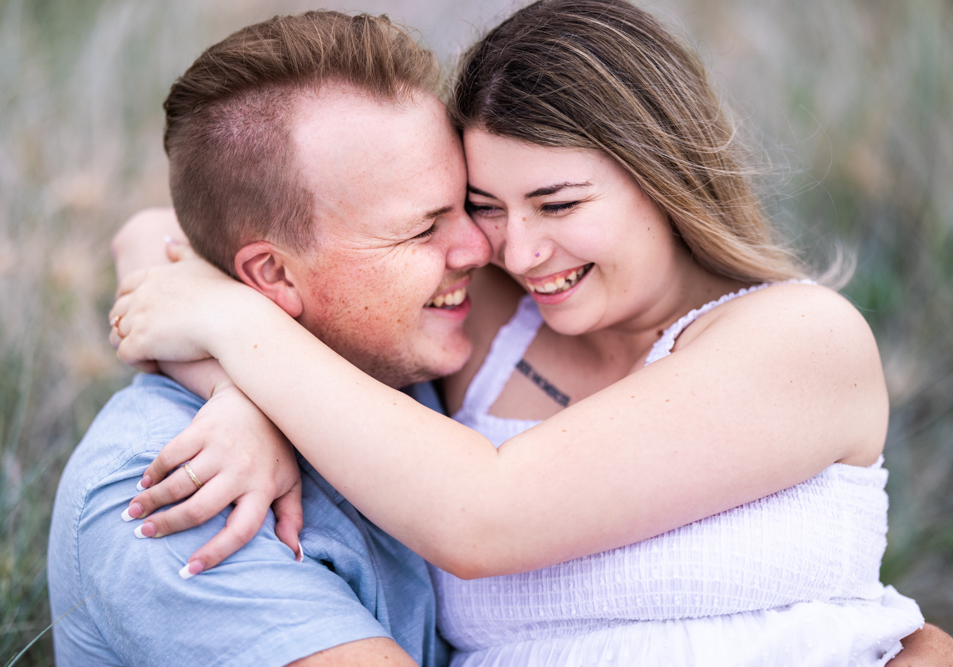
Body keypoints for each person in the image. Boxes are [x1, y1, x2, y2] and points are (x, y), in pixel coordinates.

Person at [109, 1, 951, 665]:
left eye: (558, 203)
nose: (515, 248)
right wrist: (242, 399)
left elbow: (485, 515)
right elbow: (162, 235)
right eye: (484, 205)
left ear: (661, 172)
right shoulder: (484, 324)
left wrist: (230, 327)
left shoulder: (800, 338)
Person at [48, 12, 492, 666]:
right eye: (422, 230)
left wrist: (248, 388)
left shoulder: (397, 349)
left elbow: (146, 234)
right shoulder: (172, 489)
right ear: (272, 273)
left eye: (471, 205)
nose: (481, 247)